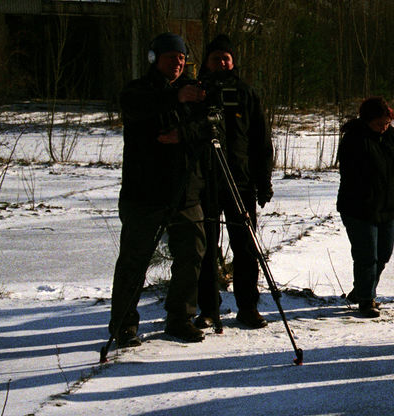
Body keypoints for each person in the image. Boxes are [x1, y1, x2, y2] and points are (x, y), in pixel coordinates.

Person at [108, 31, 210, 345]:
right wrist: (175, 98)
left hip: (185, 191)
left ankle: (180, 318)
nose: (177, 63)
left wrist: (184, 135)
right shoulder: (138, 90)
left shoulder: (193, 92)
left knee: (191, 254)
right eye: (170, 57)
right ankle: (124, 324)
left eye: (181, 58)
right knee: (134, 261)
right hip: (144, 192)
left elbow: (211, 127)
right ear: (154, 59)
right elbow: (137, 107)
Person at [193, 34, 274, 332]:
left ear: (233, 61)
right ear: (207, 62)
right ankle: (208, 308)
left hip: (240, 183)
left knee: (246, 248)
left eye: (226, 58)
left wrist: (263, 182)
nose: (222, 63)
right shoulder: (197, 93)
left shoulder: (246, 94)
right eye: (216, 58)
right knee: (205, 249)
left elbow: (261, 141)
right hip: (205, 182)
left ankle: (248, 307)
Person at [337, 97, 394, 319]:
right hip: (359, 209)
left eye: (387, 123)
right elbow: (350, 175)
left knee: (384, 253)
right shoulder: (354, 138)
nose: (383, 127)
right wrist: (367, 196)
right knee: (367, 255)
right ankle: (367, 300)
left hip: (387, 207)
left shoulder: (392, 136)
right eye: (379, 124)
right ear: (367, 120)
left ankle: (361, 290)